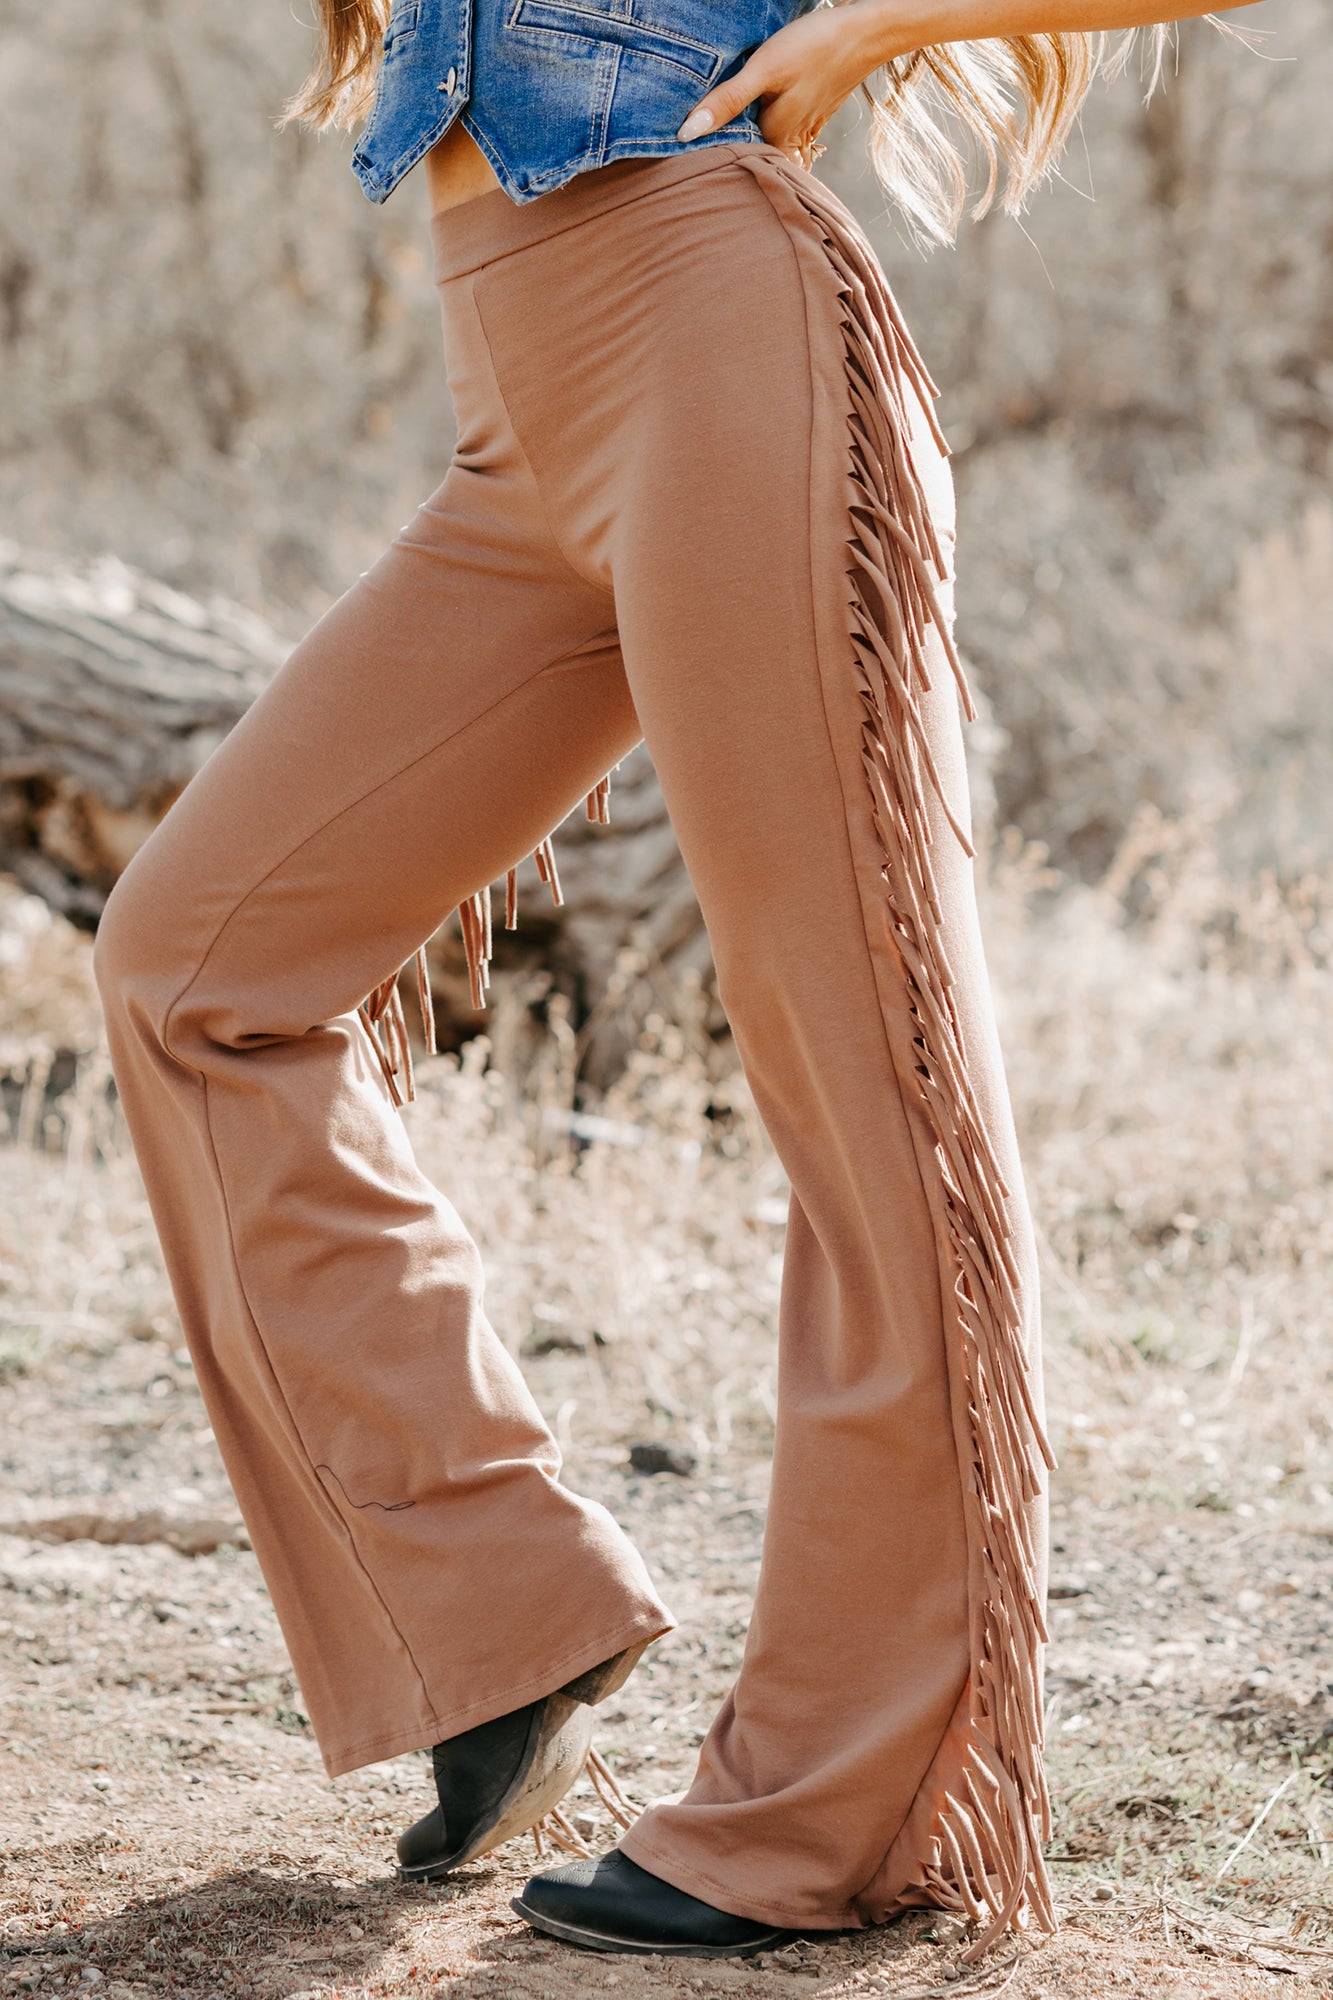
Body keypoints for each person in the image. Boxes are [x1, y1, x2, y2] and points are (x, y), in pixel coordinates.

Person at [91, 0, 1247, 1964]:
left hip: (722, 335)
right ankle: (500, 1621)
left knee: (863, 1076)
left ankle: (842, 1812)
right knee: (199, 967)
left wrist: (874, 26)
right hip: (514, 408)